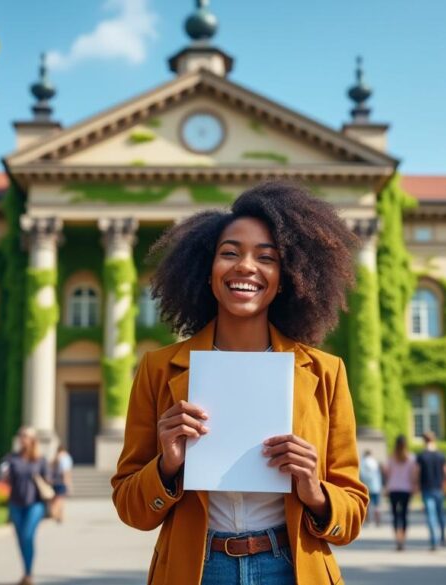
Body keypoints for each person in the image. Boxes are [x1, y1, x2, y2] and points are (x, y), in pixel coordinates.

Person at [111, 182, 368, 585]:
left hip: (290, 567)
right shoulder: (159, 369)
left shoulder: (324, 373)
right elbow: (132, 509)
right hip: (197, 569)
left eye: (266, 258)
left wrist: (314, 489)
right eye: (229, 253)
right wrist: (167, 464)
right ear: (207, 272)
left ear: (284, 278)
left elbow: (352, 515)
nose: (246, 267)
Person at [2, 427, 49, 585]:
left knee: (28, 536)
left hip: (35, 503)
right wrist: (4, 475)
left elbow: (49, 481)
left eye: (26, 436)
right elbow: (4, 476)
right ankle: (26, 572)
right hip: (16, 502)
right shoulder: (12, 458)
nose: (22, 438)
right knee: (21, 538)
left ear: (33, 439)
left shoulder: (40, 459)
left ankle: (28, 574)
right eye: (21, 435)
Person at [417, 431, 446, 550]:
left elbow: (417, 472)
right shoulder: (441, 455)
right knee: (441, 514)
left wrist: (416, 486)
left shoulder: (422, 456)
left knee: (431, 516)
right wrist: (445, 485)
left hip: (426, 488)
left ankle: (434, 541)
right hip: (439, 487)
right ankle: (443, 536)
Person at [385, 435, 416, 551]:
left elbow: (387, 474)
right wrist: (414, 486)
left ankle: (397, 539)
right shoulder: (411, 458)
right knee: (404, 515)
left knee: (395, 515)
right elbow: (413, 475)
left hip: (393, 489)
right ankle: (402, 539)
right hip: (406, 489)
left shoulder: (391, 457)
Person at [359, 449, 383, 528]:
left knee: (367, 505)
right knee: (377, 505)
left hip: (367, 486)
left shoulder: (362, 462)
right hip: (376, 486)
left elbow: (362, 475)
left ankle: (368, 521)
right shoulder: (374, 462)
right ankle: (378, 521)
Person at [49, 445, 73, 523]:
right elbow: (66, 472)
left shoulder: (55, 458)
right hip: (61, 480)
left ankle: (59, 515)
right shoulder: (66, 458)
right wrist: (68, 484)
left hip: (54, 481)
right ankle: (55, 514)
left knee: (55, 498)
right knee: (60, 499)